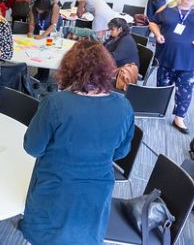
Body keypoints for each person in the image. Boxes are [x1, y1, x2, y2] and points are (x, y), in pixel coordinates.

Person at [20, 39, 134, 245]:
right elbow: (121, 152)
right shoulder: (124, 106)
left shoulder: (55, 103)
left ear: (69, 69)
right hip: (97, 193)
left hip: (56, 189)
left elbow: (32, 147)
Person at [149, 0, 194, 134]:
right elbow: (152, 22)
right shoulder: (169, 7)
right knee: (162, 84)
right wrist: (157, 34)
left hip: (192, 58)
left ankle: (179, 118)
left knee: (185, 89)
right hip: (167, 55)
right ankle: (158, 109)